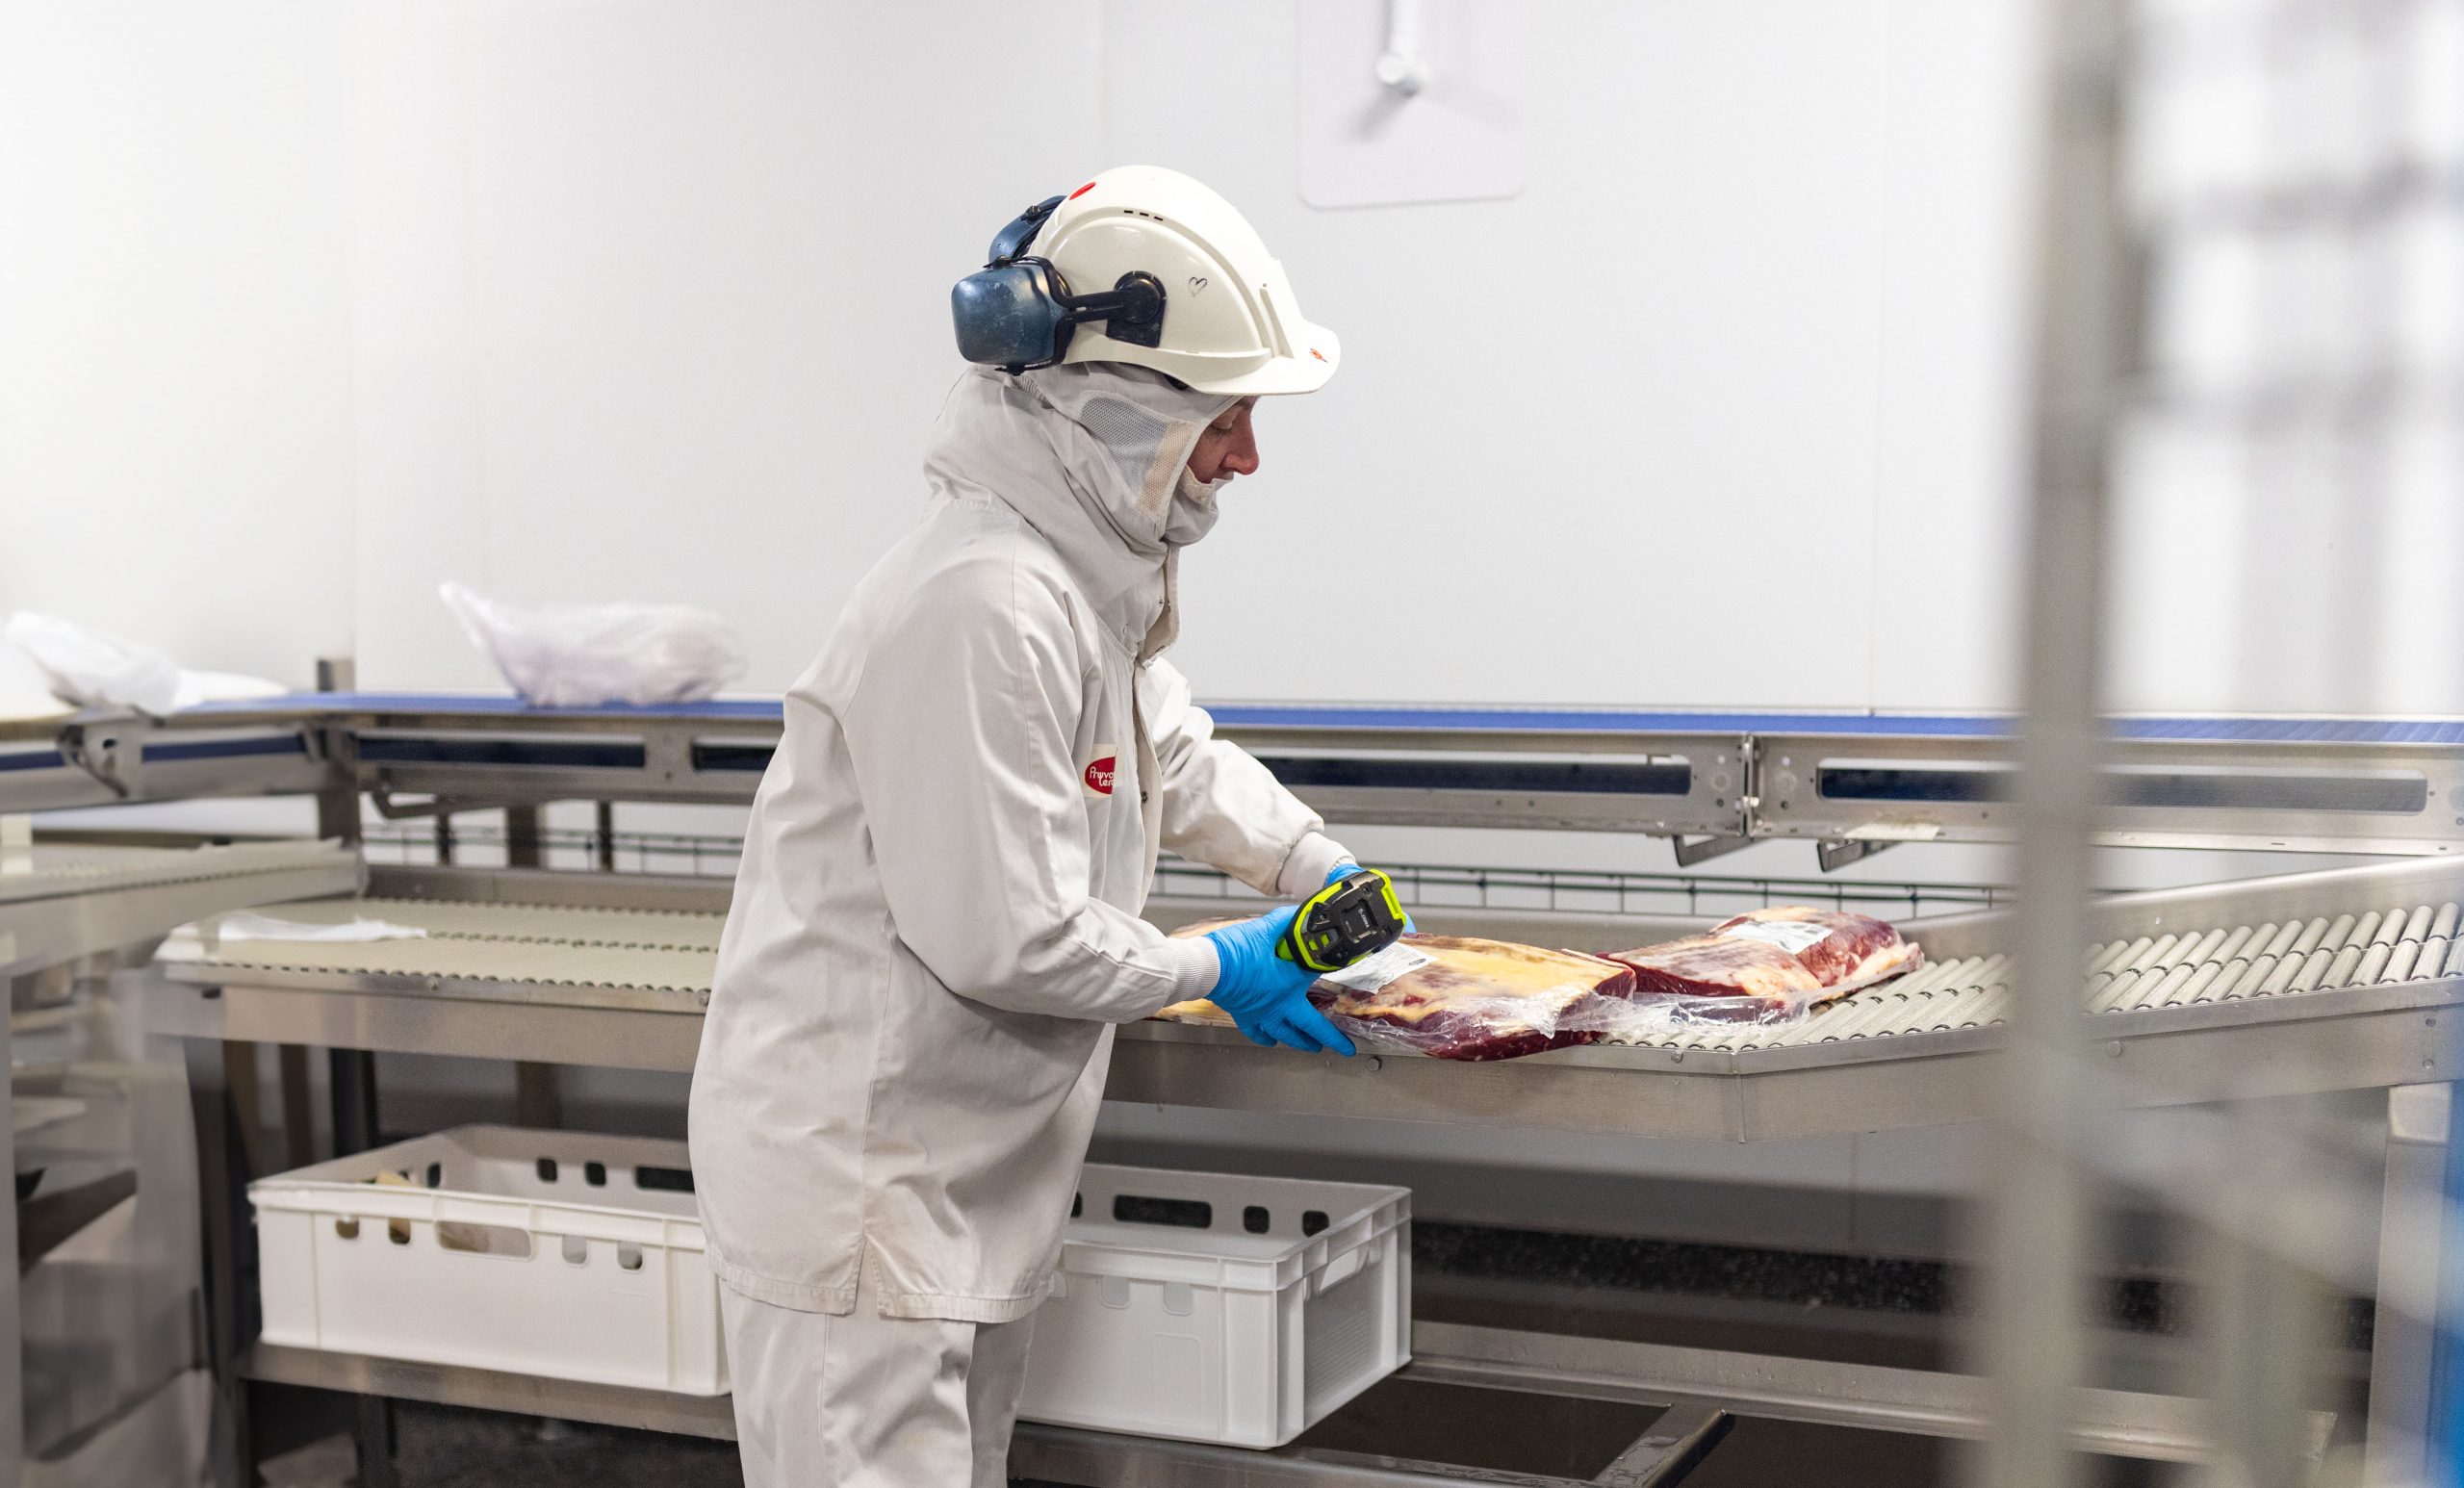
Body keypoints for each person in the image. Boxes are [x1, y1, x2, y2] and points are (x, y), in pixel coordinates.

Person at [689, 165, 1386, 1487]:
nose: (1245, 456)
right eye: (1228, 416)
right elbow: (1013, 937)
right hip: (861, 1180)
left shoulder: (1072, 580)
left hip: (941, 1171)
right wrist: (1223, 963)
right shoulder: (985, 600)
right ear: (1120, 407)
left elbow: (1167, 750)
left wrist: (1315, 865)